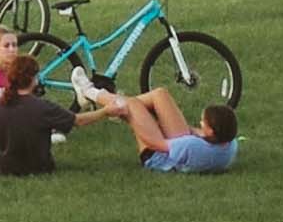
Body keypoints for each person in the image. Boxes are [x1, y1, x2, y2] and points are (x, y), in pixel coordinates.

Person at [74, 73, 239, 172]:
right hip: (175, 148)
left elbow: (155, 143)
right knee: (160, 94)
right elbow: (197, 132)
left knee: (131, 105)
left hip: (156, 157)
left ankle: (88, 92)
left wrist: (132, 118)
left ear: (211, 131)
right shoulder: (230, 145)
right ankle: (113, 105)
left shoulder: (190, 145)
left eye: (203, 122)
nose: (200, 123)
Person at [0, 54, 66, 179]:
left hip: (3, 169)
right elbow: (78, 120)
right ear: (33, 80)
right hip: (41, 167)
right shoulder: (44, 107)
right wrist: (96, 109)